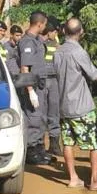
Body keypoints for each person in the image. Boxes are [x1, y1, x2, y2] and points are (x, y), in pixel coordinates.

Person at [54, 18, 97, 190]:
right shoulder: (79, 52)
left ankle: (73, 178)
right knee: (94, 143)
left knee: (68, 142)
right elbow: (94, 75)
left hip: (64, 105)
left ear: (64, 31)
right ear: (81, 32)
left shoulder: (58, 52)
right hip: (81, 106)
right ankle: (95, 180)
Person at [18, 11, 51, 164]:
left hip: (40, 85)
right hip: (33, 86)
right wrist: (30, 91)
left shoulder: (37, 40)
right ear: (39, 24)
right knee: (33, 118)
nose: (44, 27)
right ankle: (31, 151)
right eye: (44, 24)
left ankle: (38, 148)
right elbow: (25, 68)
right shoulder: (27, 42)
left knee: (40, 118)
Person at [41, 17, 62, 157]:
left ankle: (54, 144)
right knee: (41, 113)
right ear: (50, 31)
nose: (56, 34)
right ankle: (40, 144)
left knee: (54, 112)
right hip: (42, 80)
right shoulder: (39, 42)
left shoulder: (57, 43)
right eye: (55, 32)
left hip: (54, 80)